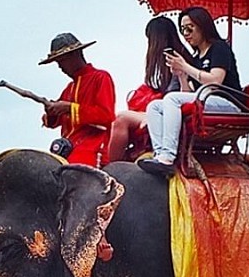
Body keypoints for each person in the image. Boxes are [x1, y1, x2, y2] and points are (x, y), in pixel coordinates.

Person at [137, 6, 242, 178]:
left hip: (228, 103)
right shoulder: (196, 57)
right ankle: (160, 152)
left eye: (189, 28)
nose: (186, 34)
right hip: (206, 101)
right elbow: (188, 94)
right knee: (155, 106)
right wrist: (182, 76)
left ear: (202, 26)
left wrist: (185, 66)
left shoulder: (220, 48)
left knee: (171, 98)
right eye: (182, 29)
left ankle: (168, 157)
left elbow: (215, 80)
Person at [107, 16, 191, 163]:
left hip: (169, 110)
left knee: (121, 119)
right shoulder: (176, 57)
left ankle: (111, 166)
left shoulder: (177, 59)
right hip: (164, 108)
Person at [39, 32, 116, 167]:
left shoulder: (101, 77)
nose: (60, 67)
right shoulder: (69, 88)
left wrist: (69, 108)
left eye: (62, 61)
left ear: (75, 55)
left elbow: (106, 116)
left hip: (92, 150)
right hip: (66, 150)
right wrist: (51, 111)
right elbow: (54, 122)